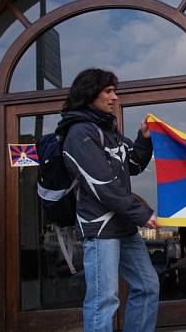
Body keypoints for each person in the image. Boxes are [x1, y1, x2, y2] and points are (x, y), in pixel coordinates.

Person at [57, 68, 160, 332]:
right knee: (104, 300)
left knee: (147, 287)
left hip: (123, 226)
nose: (115, 97)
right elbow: (102, 184)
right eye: (108, 91)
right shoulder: (80, 133)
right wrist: (142, 213)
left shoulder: (108, 130)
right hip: (101, 229)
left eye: (115, 91)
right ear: (89, 94)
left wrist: (144, 139)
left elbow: (134, 164)